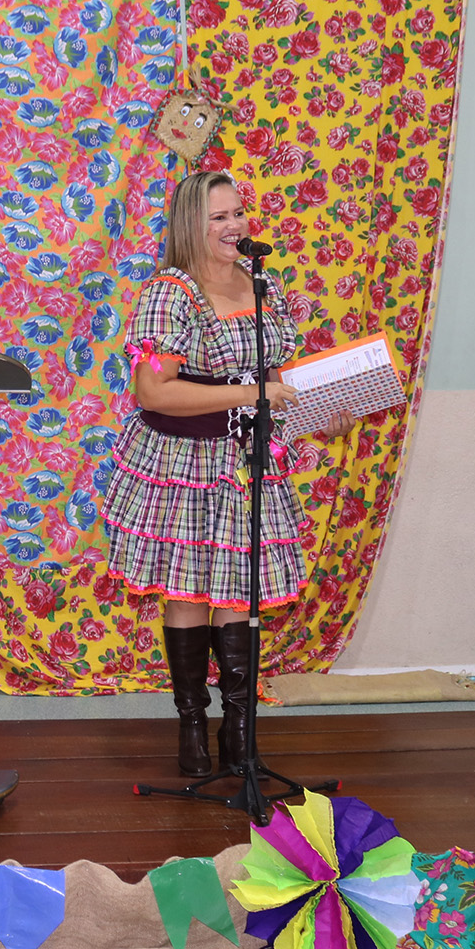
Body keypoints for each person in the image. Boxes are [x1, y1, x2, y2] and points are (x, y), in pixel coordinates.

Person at [103, 171, 354, 778]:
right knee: (189, 593)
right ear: (191, 224)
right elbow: (153, 392)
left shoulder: (262, 283)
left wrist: (325, 415)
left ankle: (239, 728)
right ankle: (192, 724)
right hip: (184, 460)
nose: (234, 225)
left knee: (240, 590)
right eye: (219, 217)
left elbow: (278, 383)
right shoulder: (171, 293)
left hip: (247, 459)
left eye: (238, 213)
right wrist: (254, 392)